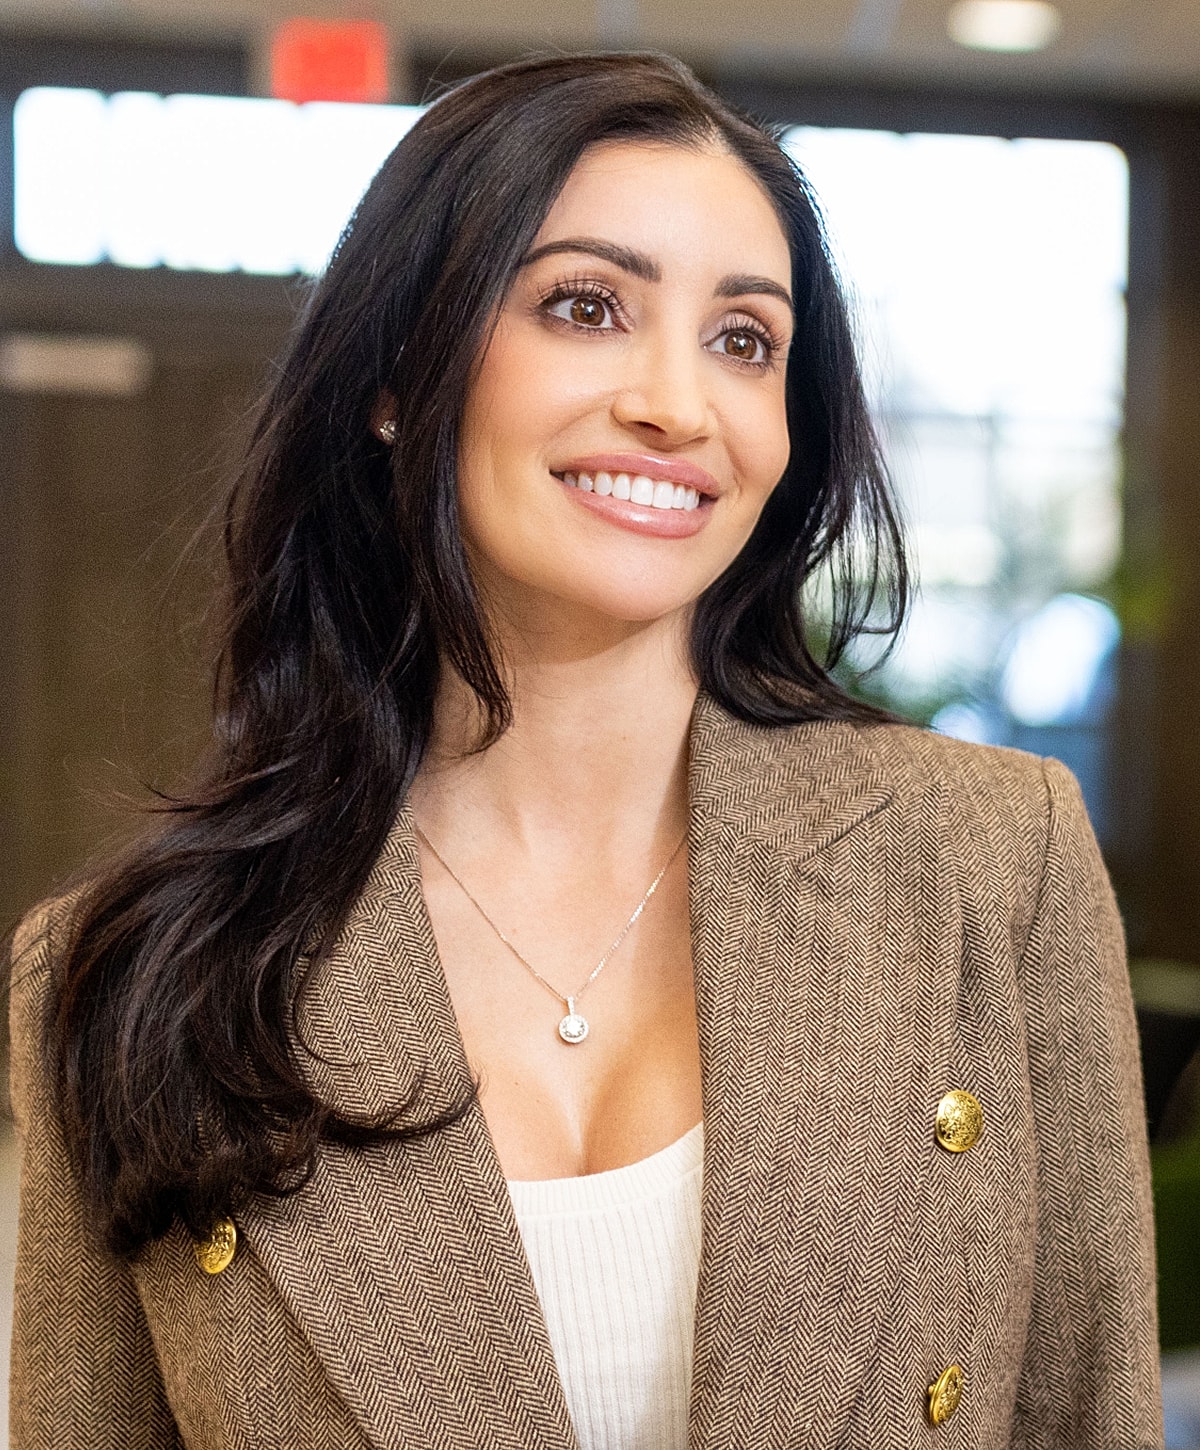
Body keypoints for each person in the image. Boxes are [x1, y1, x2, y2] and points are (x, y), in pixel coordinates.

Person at [7, 51, 1162, 1450]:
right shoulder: (133, 968)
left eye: (745, 339)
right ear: (391, 377)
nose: (678, 403)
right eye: (586, 307)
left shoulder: (990, 859)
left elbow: (1088, 1410)